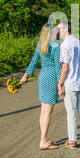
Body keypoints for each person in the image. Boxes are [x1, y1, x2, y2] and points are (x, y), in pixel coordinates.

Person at [20, 23, 61, 151]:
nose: (57, 33)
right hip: (52, 78)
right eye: (55, 31)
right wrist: (61, 83)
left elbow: (33, 62)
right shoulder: (56, 47)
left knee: (43, 110)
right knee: (48, 111)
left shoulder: (40, 45)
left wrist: (25, 76)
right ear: (51, 33)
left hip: (43, 77)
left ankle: (44, 138)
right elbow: (58, 67)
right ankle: (43, 141)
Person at [57, 22, 80, 149]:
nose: (57, 31)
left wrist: (60, 83)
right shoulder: (79, 42)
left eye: (59, 29)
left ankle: (72, 141)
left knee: (71, 112)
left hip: (71, 82)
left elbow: (65, 67)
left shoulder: (65, 45)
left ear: (66, 29)